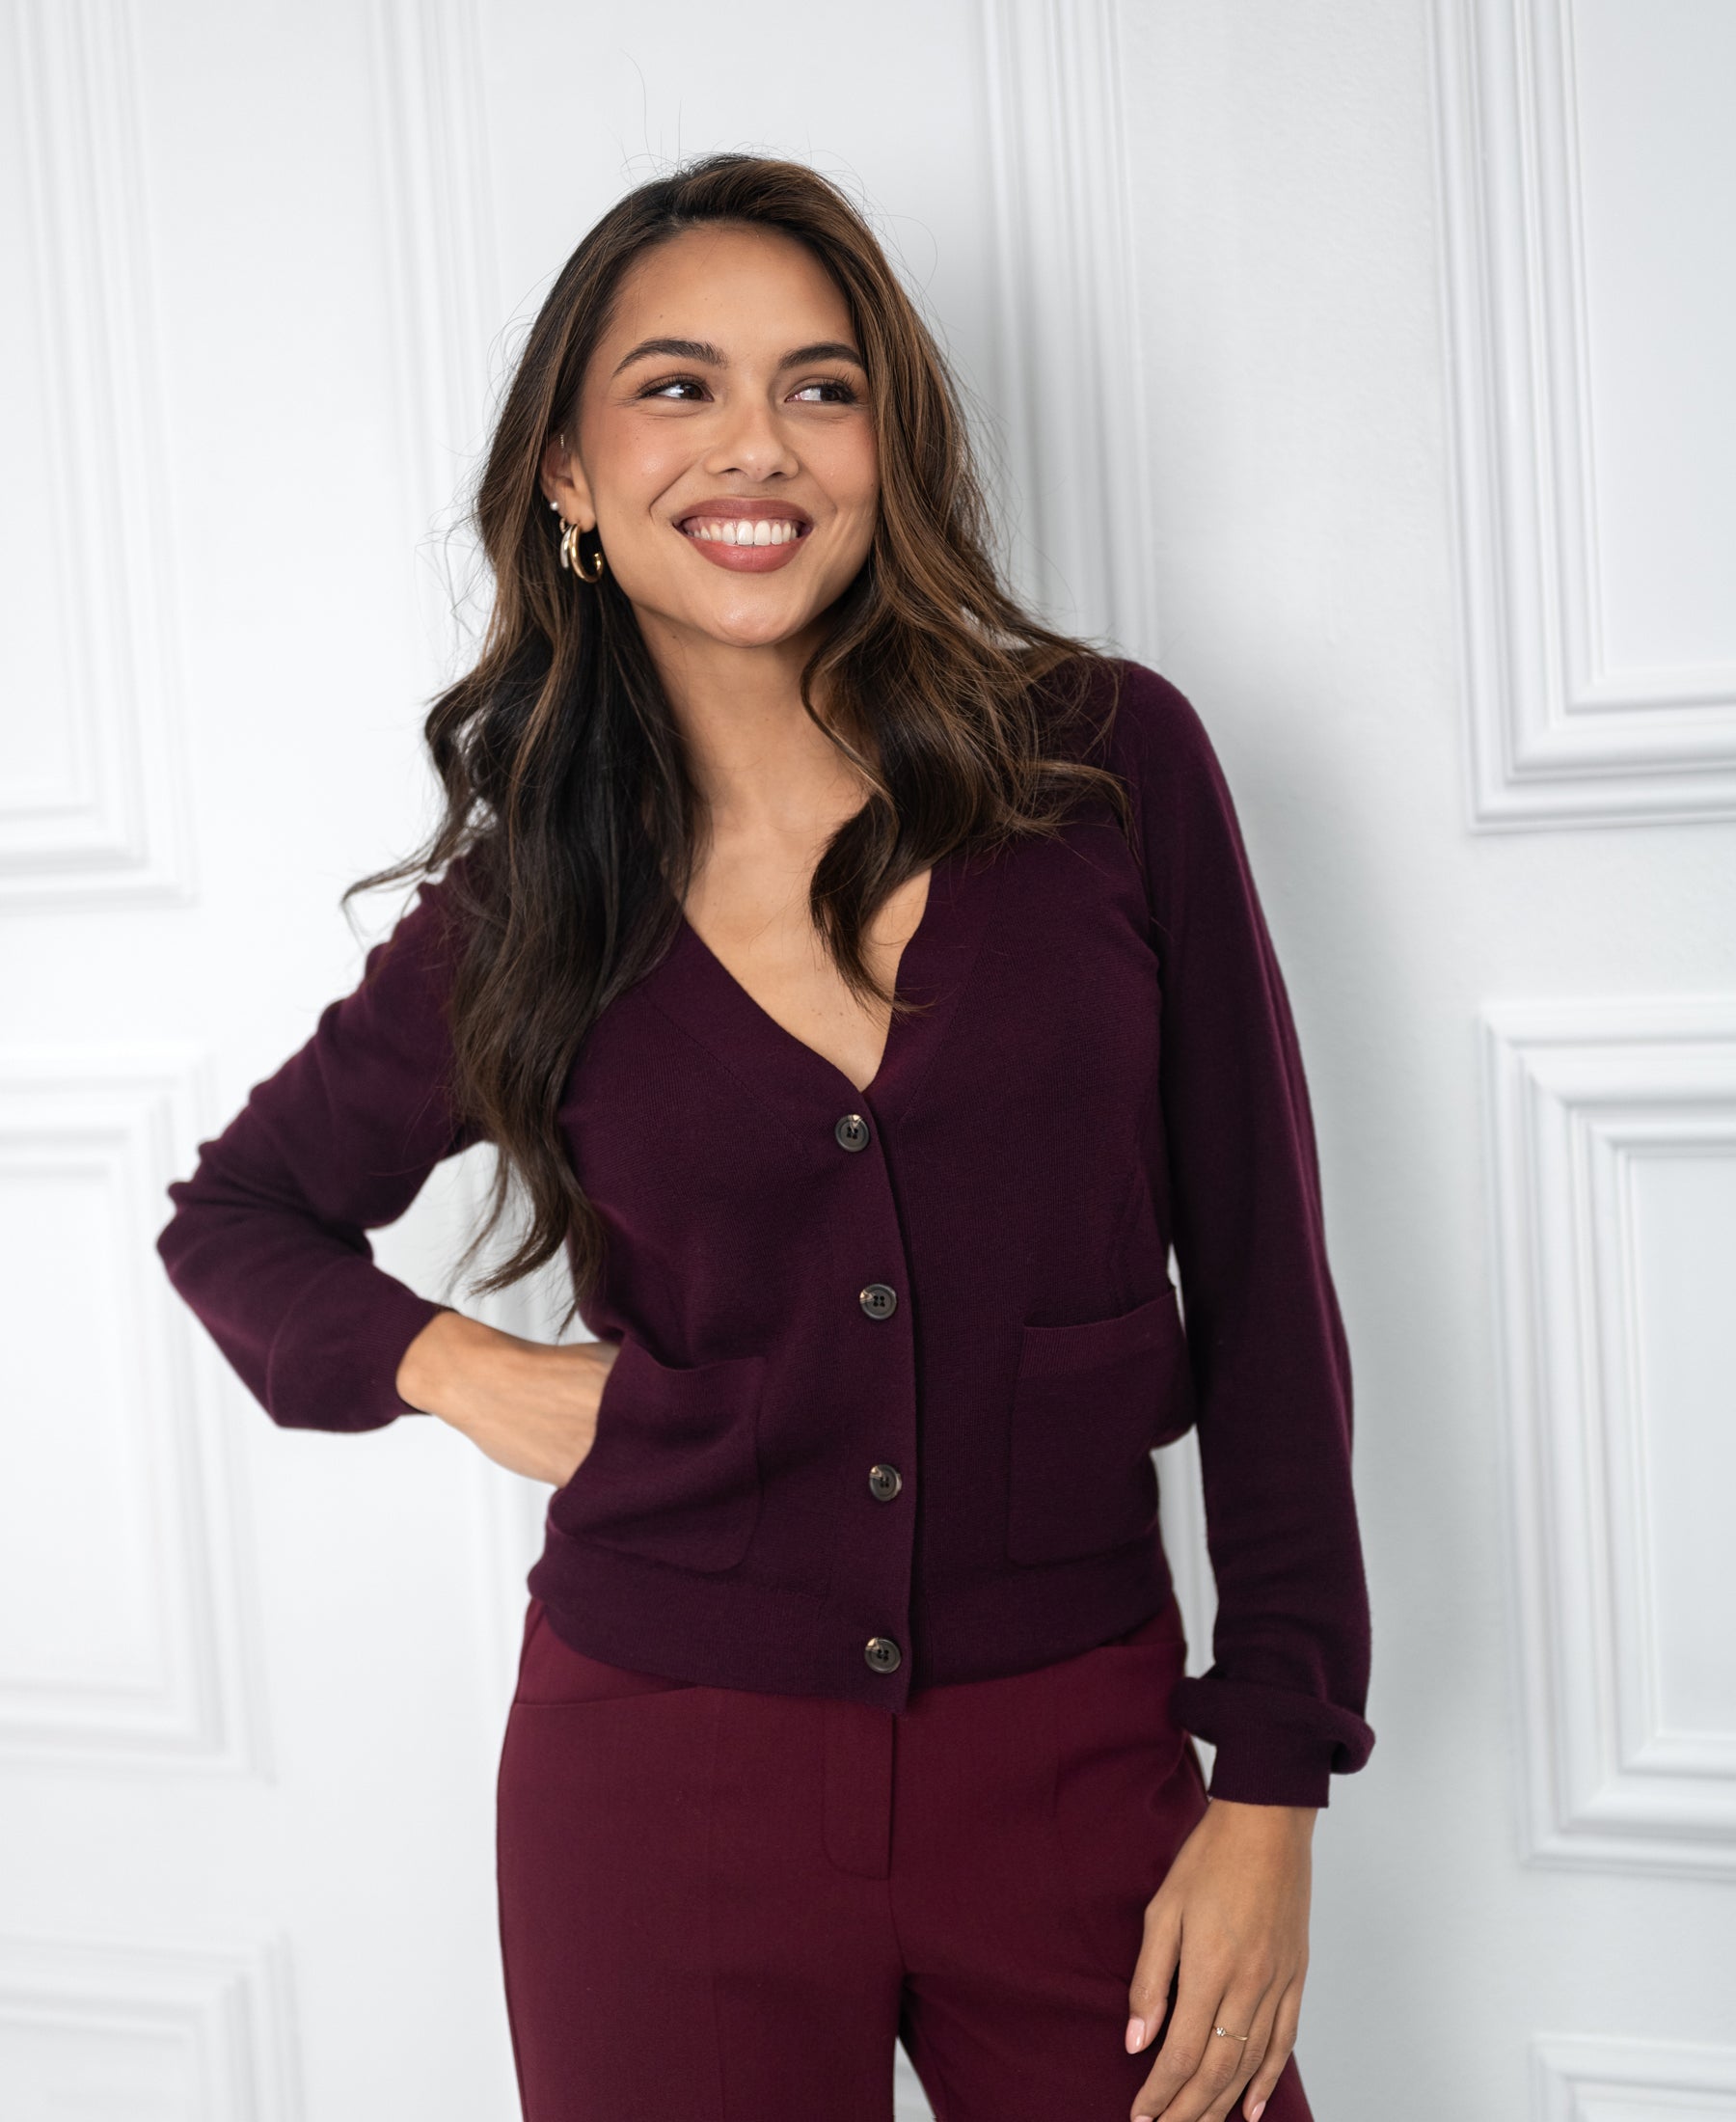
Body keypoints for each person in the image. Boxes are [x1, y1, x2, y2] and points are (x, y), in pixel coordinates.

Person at [155, 153, 1373, 2122]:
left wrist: (1274, 1785)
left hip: (1079, 1760)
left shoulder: (1107, 768)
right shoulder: (527, 902)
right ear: (567, 472)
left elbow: (1263, 1288)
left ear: (888, 443)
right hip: (663, 1790)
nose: (759, 446)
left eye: (822, 386)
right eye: (676, 386)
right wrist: (473, 1375)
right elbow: (241, 1211)